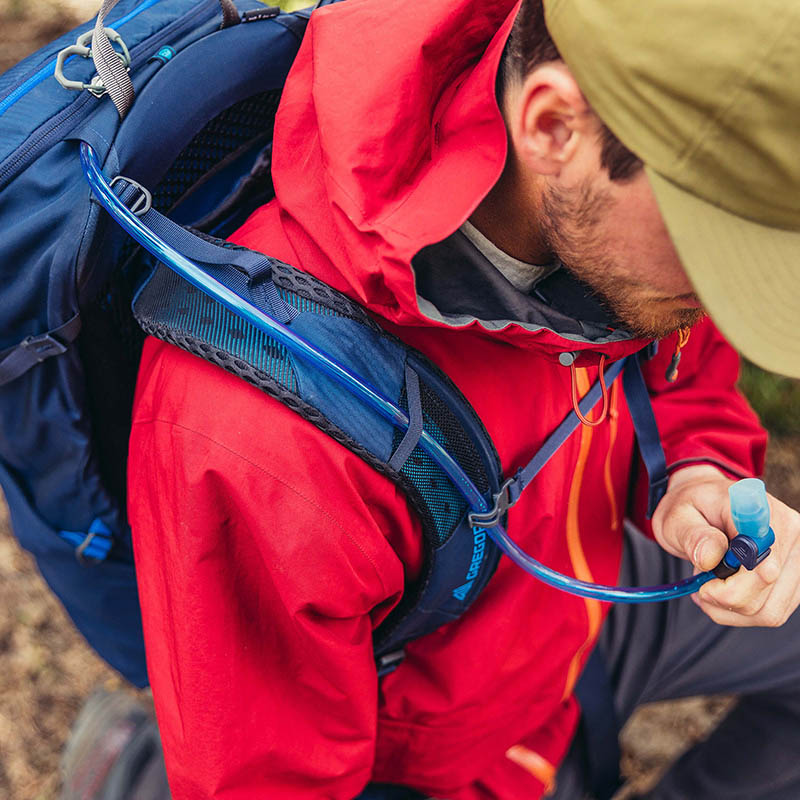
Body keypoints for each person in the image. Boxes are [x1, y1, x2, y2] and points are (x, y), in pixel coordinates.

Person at [121, 0, 800, 798]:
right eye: (711, 243)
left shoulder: (615, 218)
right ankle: (127, 770)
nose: (720, 297)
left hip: (574, 605)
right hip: (443, 752)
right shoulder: (261, 433)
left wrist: (696, 472)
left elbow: (683, 365)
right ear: (552, 127)